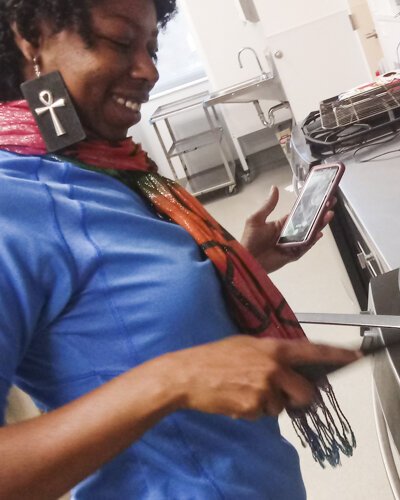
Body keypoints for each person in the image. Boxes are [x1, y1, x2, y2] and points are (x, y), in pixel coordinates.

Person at [0, 0, 361, 498]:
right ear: (29, 37)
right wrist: (169, 382)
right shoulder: (11, 203)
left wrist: (243, 265)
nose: (149, 69)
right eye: (121, 41)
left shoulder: (107, 164)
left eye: (151, 47)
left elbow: (122, 315)